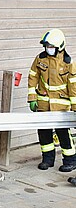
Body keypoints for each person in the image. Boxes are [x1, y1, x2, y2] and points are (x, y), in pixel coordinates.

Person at [28, 28, 76, 172]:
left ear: (60, 46)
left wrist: (75, 108)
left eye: (51, 46)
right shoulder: (40, 59)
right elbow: (33, 77)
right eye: (46, 46)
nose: (48, 48)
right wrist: (32, 98)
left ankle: (70, 160)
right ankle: (47, 160)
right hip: (43, 104)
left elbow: (73, 87)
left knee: (63, 133)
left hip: (61, 106)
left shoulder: (68, 63)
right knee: (44, 133)